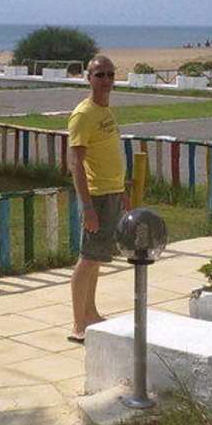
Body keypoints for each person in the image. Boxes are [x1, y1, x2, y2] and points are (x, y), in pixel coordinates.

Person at [67, 55, 129, 343]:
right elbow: (76, 163)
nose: (105, 80)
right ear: (88, 78)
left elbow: (109, 154)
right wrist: (87, 207)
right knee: (88, 259)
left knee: (97, 259)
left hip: (112, 192)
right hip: (97, 196)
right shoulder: (83, 114)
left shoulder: (105, 111)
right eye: (99, 75)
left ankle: (90, 313)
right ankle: (78, 324)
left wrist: (122, 191)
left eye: (109, 75)